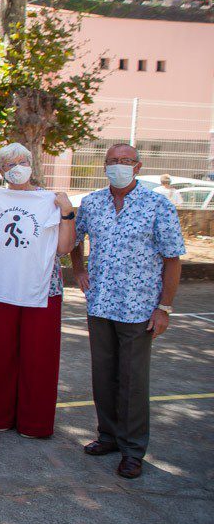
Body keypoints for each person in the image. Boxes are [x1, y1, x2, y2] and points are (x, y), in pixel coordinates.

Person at [71, 144, 185, 479]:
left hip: (138, 307)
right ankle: (107, 436)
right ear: (104, 167)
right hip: (101, 302)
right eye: (112, 162)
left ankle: (133, 449)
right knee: (103, 374)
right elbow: (74, 239)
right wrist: (78, 270)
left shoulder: (157, 205)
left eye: (125, 161)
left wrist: (164, 307)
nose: (118, 167)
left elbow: (172, 259)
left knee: (133, 380)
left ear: (138, 166)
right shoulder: (92, 203)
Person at [0, 142, 75, 439]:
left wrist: (66, 213)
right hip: (5, 285)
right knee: (1, 354)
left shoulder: (49, 200)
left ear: (31, 164)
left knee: (39, 357)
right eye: (6, 164)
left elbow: (64, 248)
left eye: (19, 161)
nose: (14, 168)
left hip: (42, 288)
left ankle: (35, 423)